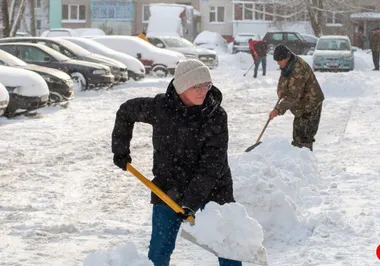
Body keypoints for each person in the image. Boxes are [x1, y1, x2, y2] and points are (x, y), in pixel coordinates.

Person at [111, 59, 242, 266]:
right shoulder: (159, 108)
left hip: (213, 187)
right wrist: (120, 150)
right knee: (159, 252)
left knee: (228, 248)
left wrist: (192, 200)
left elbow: (212, 164)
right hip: (169, 186)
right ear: (181, 87)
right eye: (196, 87)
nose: (203, 92)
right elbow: (125, 112)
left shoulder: (216, 116)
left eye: (206, 86)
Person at [269, 44, 324, 151]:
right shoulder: (288, 65)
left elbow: (293, 96)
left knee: (304, 137)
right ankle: (297, 159)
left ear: (287, 57)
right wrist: (281, 90)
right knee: (297, 135)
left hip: (311, 104)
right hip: (301, 105)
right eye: (277, 61)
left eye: (280, 61)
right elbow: (284, 78)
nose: (278, 64)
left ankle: (305, 161)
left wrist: (278, 110)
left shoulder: (298, 70)